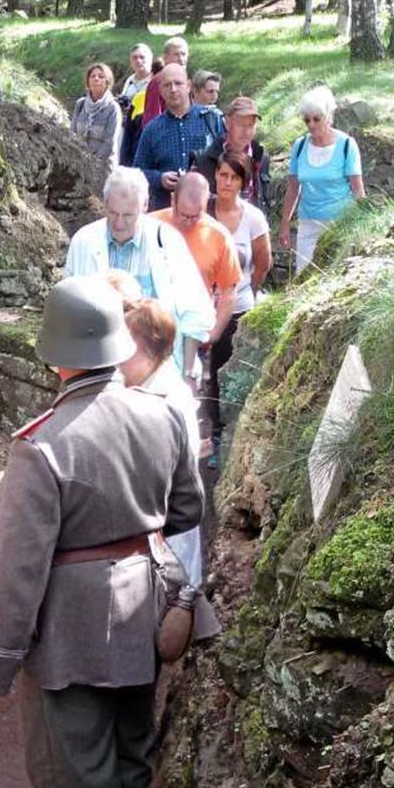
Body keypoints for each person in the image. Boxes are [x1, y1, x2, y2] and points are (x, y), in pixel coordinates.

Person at [0, 276, 204, 788]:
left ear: (58, 355)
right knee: (130, 740)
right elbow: (186, 510)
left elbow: (15, 574)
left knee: (73, 760)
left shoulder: (41, 444)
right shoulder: (162, 415)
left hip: (72, 625)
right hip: (144, 602)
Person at [65, 167, 215, 382]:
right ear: (104, 203)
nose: (118, 223)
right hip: (100, 367)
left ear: (144, 206)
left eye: (128, 215)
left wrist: (189, 374)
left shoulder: (167, 242)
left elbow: (195, 312)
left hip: (157, 368)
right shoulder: (84, 241)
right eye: (113, 213)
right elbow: (71, 304)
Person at [120, 298, 204, 587]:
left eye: (125, 346)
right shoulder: (153, 387)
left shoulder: (165, 399)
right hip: (161, 530)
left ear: (145, 348)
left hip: (166, 531)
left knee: (173, 605)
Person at [151, 170, 241, 431]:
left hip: (191, 334)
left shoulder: (218, 236)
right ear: (172, 201)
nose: (189, 222)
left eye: (196, 215)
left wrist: (213, 333)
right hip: (152, 330)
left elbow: (228, 291)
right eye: (183, 214)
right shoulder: (149, 226)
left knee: (182, 403)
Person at [209, 153, 273, 457]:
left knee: (229, 369)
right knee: (206, 371)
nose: (227, 182)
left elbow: (264, 261)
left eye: (234, 177)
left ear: (243, 183)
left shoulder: (252, 218)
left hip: (239, 304)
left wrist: (252, 289)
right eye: (223, 175)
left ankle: (227, 435)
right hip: (201, 305)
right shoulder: (203, 211)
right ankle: (214, 431)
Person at [280, 85, 364, 272]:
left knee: (334, 276)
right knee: (302, 275)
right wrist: (285, 222)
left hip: (340, 222)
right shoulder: (300, 146)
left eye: (316, 119)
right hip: (308, 222)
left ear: (328, 117)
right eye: (307, 120)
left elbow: (358, 189)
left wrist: (362, 222)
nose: (311, 125)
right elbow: (293, 188)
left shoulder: (347, 145)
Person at [134, 63, 223, 211]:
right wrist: (160, 179)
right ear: (161, 90)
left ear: (188, 86)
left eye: (178, 83)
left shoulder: (211, 120)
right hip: (167, 212)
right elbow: (138, 172)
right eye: (167, 85)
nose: (173, 89)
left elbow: (227, 162)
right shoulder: (152, 129)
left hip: (207, 209)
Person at [192, 95, 271, 213]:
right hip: (216, 227)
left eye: (251, 125)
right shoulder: (204, 160)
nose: (246, 131)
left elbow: (262, 198)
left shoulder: (261, 157)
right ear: (227, 123)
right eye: (240, 124)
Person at [70, 62, 122, 183]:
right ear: (88, 81)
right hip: (79, 165)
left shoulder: (113, 108)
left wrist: (91, 163)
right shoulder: (80, 104)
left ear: (107, 82)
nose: (96, 79)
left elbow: (109, 142)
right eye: (93, 76)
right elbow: (71, 134)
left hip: (103, 168)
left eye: (101, 76)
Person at [120, 56, 163, 166]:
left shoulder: (180, 104)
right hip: (137, 161)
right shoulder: (139, 99)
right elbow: (127, 137)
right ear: (152, 76)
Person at [141, 36, 189, 128]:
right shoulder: (158, 82)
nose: (181, 59)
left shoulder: (187, 80)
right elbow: (152, 117)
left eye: (184, 54)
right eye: (176, 54)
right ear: (165, 58)